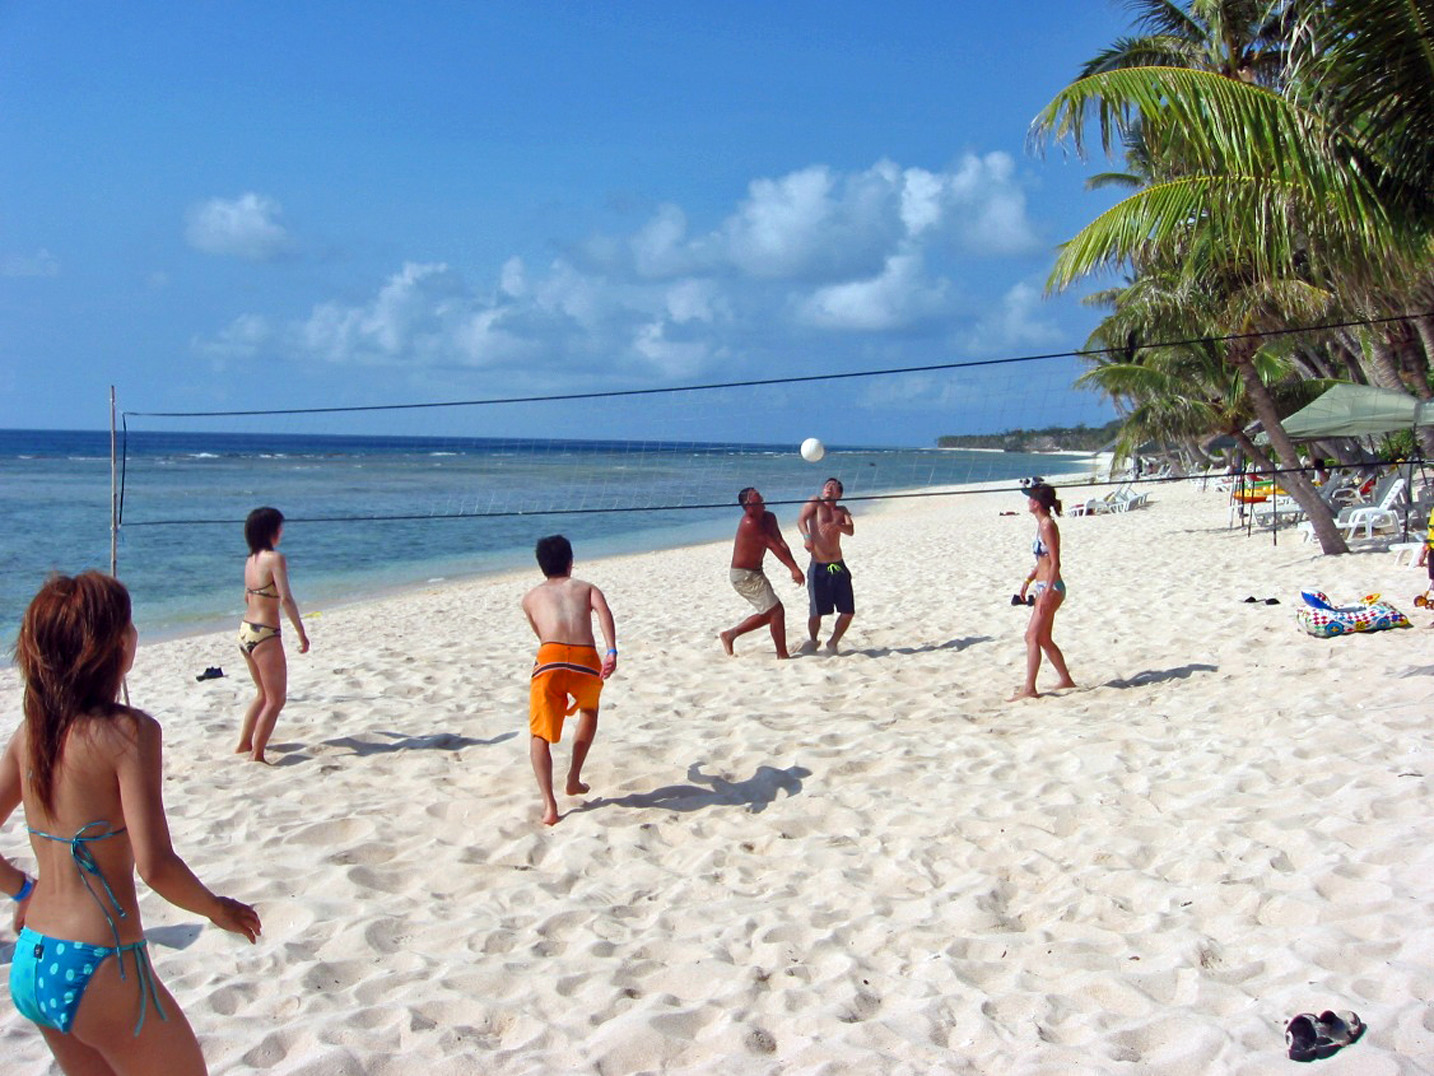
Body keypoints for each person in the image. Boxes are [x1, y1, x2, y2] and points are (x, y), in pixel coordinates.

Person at [1, 572, 261, 1075]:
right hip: (99, 962)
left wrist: (20, 891)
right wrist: (215, 909)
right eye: (130, 624)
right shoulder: (129, 733)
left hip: (33, 958)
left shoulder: (29, 733)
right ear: (113, 645)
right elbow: (155, 865)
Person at [522, 535, 618, 826]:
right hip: (585, 659)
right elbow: (604, 613)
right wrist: (611, 650)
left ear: (541, 566)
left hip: (549, 658)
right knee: (588, 711)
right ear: (571, 562)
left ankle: (550, 806)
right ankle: (574, 777)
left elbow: (540, 632)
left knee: (540, 733)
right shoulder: (586, 588)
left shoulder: (530, 598)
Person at [236, 507, 309, 764]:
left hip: (246, 630)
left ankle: (244, 743)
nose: (282, 531)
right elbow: (286, 599)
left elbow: (247, 596)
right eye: (280, 527)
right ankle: (257, 753)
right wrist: (301, 633)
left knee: (261, 694)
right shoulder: (275, 559)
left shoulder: (250, 560)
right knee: (276, 699)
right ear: (271, 531)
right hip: (265, 634)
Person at [720, 487, 805, 659]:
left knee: (770, 613)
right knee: (776, 611)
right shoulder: (750, 523)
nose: (762, 498)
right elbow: (771, 545)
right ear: (748, 506)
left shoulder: (769, 517)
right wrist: (793, 569)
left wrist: (794, 566)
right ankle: (782, 654)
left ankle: (730, 635)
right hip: (743, 575)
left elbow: (780, 542)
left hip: (755, 571)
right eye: (757, 497)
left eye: (760, 495)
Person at [1011, 481, 1077, 700]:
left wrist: (1047, 591)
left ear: (1038, 503)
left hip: (1052, 588)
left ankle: (1029, 688)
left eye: (1031, 498)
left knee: (1031, 636)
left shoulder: (1048, 525)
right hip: (1043, 586)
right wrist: (1028, 580)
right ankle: (1066, 679)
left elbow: (1056, 562)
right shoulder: (1041, 524)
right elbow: (1043, 560)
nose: (1028, 501)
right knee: (1044, 639)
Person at [796, 477, 855, 653]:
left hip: (837, 565)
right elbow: (801, 520)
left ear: (839, 494)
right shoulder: (816, 502)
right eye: (827, 485)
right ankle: (813, 640)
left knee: (848, 611)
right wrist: (807, 538)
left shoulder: (842, 510)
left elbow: (851, 530)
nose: (829, 488)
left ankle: (833, 642)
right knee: (816, 612)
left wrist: (839, 526)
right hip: (820, 566)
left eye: (833, 486)